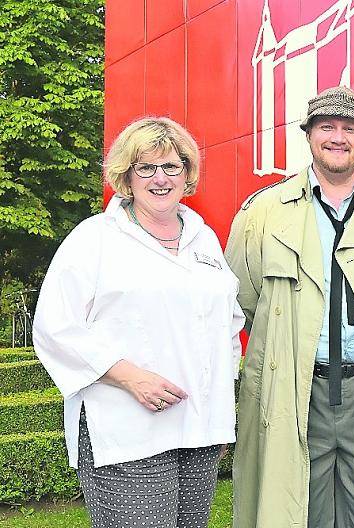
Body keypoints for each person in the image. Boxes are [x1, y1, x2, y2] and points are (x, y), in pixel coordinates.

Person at [32, 117, 245, 528]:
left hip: (198, 430)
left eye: (171, 167)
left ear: (187, 174)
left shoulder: (204, 239)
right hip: (127, 430)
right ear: (126, 178)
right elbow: (54, 327)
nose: (160, 178)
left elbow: (227, 326)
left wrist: (220, 412)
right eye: (145, 168)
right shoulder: (94, 239)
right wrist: (131, 377)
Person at [225, 86, 354, 528]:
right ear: (308, 135)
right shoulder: (263, 212)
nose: (338, 137)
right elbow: (243, 300)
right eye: (326, 126)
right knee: (296, 507)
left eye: (350, 128)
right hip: (296, 388)